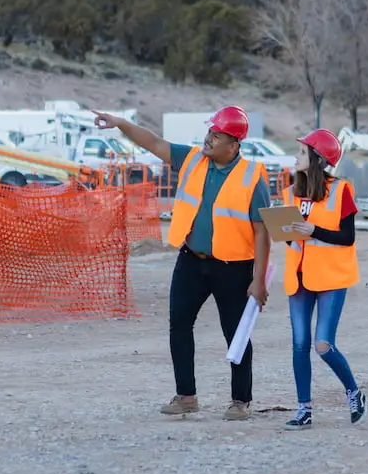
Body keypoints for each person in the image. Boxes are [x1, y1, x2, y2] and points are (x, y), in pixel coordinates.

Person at [92, 106, 272, 421]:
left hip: (232, 267)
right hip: (191, 260)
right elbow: (154, 143)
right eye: (209, 133)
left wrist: (258, 280)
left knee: (235, 333)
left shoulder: (251, 177)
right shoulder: (192, 160)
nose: (209, 139)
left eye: (216, 136)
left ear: (233, 145)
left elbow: (261, 231)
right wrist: (121, 123)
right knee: (179, 324)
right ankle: (186, 396)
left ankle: (240, 400)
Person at [279, 128, 366, 429]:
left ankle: (353, 391)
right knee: (299, 344)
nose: (296, 156)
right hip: (299, 276)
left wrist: (312, 231)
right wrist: (285, 232)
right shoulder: (290, 192)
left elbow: (347, 236)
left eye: (302, 152)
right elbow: (290, 238)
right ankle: (304, 409)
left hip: (331, 277)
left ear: (317, 159)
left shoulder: (342, 190)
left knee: (323, 345)